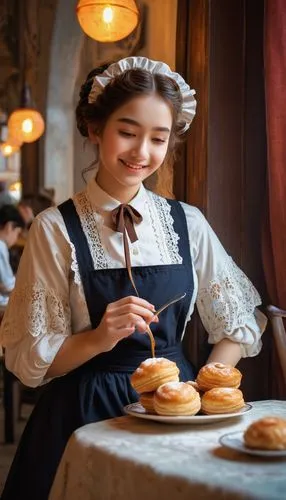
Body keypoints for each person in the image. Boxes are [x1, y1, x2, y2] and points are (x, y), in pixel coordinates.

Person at [0, 57, 267, 499]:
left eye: (158, 139)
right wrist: (99, 338)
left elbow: (238, 322)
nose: (142, 152)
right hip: (83, 416)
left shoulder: (188, 223)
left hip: (174, 410)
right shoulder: (53, 227)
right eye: (127, 132)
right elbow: (33, 362)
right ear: (94, 129)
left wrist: (200, 389)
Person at [0, 205, 25, 310]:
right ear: (9, 227)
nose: (16, 239)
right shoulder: (1, 246)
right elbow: (8, 286)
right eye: (18, 233)